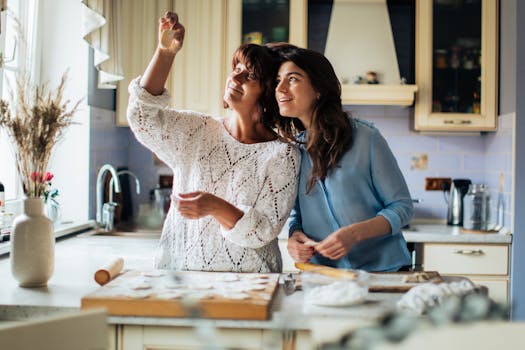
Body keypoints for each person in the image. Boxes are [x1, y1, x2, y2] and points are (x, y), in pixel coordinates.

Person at [127, 13, 300, 273]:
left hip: (252, 287)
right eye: (236, 69)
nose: (236, 78)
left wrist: (214, 206)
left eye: (250, 75)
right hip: (180, 278)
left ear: (267, 94)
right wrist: (165, 53)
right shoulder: (197, 130)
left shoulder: (283, 154)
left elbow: (263, 230)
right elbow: (142, 116)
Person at [271, 44, 413, 272]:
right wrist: (294, 236)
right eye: (278, 80)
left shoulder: (366, 138)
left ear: (319, 89)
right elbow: (298, 215)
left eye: (293, 79)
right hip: (324, 276)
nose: (280, 88)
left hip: (385, 272)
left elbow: (402, 207)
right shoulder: (291, 150)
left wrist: (353, 234)